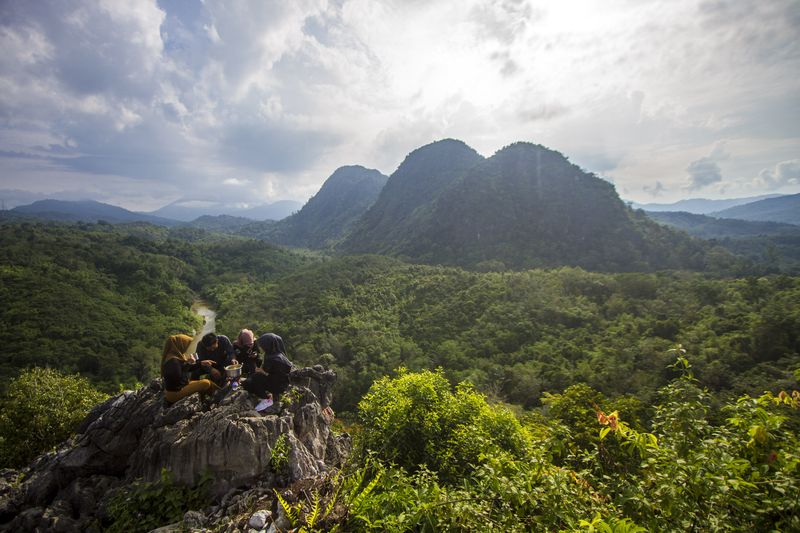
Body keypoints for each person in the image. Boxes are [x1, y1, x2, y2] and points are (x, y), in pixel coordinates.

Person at [161, 334, 219, 405]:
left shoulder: (176, 356)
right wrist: (188, 364)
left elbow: (183, 369)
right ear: (181, 345)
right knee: (206, 383)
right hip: (175, 393)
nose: (187, 347)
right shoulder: (173, 361)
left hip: (178, 389)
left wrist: (201, 363)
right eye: (187, 345)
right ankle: (217, 397)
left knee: (209, 383)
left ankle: (219, 394)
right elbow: (178, 379)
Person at [244, 333, 293, 405]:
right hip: (282, 383)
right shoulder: (277, 353)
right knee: (251, 380)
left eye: (262, 345)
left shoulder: (273, 358)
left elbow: (275, 377)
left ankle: (265, 397)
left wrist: (261, 371)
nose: (261, 347)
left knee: (254, 379)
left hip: (279, 385)